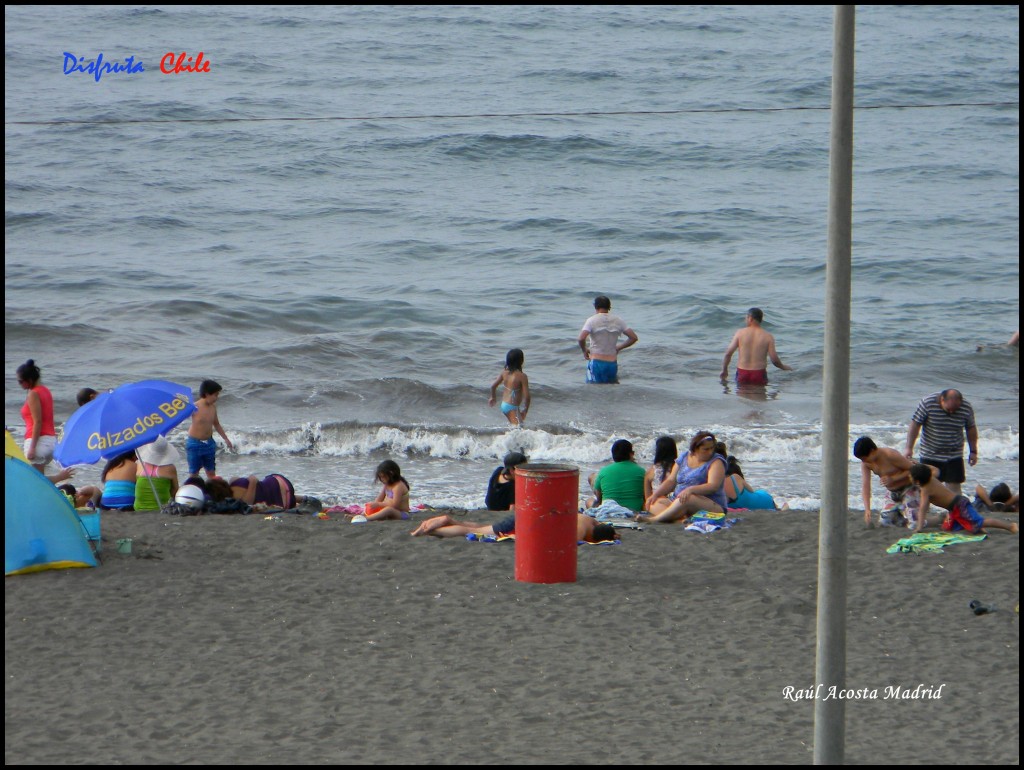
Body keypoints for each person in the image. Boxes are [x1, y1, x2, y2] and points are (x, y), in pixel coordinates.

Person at [639, 430, 728, 523]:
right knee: (652, 503)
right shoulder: (684, 457)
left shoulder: (716, 461)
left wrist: (690, 490)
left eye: (712, 448)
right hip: (678, 499)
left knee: (688, 498)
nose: (710, 452)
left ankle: (654, 519)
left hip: (710, 504)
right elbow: (671, 481)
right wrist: (656, 494)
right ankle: (679, 520)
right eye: (706, 449)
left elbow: (713, 486)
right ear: (695, 449)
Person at [904, 389, 977, 495]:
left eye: (955, 410)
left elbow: (971, 429)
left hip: (954, 454)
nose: (952, 412)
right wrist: (908, 448)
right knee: (926, 487)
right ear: (942, 400)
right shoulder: (928, 403)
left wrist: (973, 451)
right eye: (949, 409)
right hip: (930, 452)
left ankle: (954, 511)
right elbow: (915, 424)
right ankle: (922, 510)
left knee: (954, 488)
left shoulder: (966, 407)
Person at [909, 464, 1017, 534]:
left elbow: (923, 508)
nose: (909, 477)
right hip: (955, 506)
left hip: (959, 505)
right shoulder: (931, 477)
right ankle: (977, 527)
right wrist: (918, 465)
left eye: (910, 476)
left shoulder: (925, 490)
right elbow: (936, 469)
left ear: (917, 481)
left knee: (982, 522)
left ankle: (1010, 526)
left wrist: (919, 527)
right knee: (947, 528)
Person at [411, 512, 619, 543]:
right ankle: (435, 529)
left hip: (530, 514)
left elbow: (607, 528)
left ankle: (448, 521)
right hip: (527, 524)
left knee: (481, 526)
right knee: (472, 531)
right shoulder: (582, 533)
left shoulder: (589, 519)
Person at [853, 436, 919, 527]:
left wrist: (894, 478)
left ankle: (935, 519)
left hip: (908, 488)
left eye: (864, 458)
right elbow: (866, 486)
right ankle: (901, 514)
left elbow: (915, 469)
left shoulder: (890, 455)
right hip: (892, 492)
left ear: (872, 451)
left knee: (914, 524)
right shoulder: (866, 464)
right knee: (885, 522)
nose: (864, 461)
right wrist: (867, 509)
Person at [720, 308, 792, 386]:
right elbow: (775, 360)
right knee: (760, 397)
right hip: (759, 374)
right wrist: (784, 367)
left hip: (742, 372)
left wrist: (725, 370)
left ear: (750, 318)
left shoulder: (740, 333)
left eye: (746, 318)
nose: (745, 320)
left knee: (741, 398)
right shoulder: (768, 336)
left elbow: (728, 353)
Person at [578, 295, 638, 384]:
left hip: (596, 362)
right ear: (609, 307)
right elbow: (633, 338)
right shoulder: (618, 320)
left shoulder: (591, 320)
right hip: (612, 363)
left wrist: (584, 350)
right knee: (611, 390)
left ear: (596, 307)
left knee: (594, 390)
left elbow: (581, 338)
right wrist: (618, 348)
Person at [186, 379, 234, 479]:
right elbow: (179, 417)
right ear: (207, 394)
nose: (217, 398)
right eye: (215, 395)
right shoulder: (194, 407)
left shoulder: (213, 407)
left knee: (211, 473)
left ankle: (212, 492)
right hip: (194, 443)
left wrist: (226, 439)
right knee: (194, 474)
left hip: (209, 443)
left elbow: (216, 424)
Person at [16, 359, 57, 473]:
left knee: (33, 482)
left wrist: (32, 448)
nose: (19, 384)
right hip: (50, 441)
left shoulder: (33, 394)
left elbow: (37, 422)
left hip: (38, 443)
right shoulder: (46, 391)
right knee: (40, 479)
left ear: (29, 380)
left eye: (20, 381)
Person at [586, 439, 647, 513]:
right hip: (634, 510)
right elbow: (646, 497)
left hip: (609, 510)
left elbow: (599, 500)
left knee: (589, 501)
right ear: (631, 454)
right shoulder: (641, 471)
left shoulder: (604, 471)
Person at [134, 436, 180, 510]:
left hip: (138, 508)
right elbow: (175, 491)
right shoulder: (170, 468)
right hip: (161, 508)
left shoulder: (140, 465)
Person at [488, 349, 530, 426]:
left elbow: (493, 386)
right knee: (519, 428)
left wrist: (493, 397)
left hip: (505, 405)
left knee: (517, 428)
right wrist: (525, 410)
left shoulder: (504, 373)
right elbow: (527, 396)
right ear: (521, 361)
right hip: (512, 407)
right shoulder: (522, 376)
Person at [208, 474, 298, 510]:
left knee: (265, 494)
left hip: (286, 501)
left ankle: (301, 499)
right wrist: (252, 482)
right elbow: (254, 479)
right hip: (279, 480)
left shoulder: (236, 500)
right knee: (265, 489)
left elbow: (249, 502)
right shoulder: (233, 480)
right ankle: (303, 498)